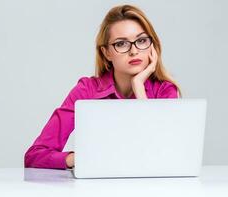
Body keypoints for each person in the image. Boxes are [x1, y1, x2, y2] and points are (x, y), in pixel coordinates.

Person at [24, 4, 182, 170]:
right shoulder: (87, 90)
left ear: (152, 46)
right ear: (107, 52)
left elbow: (165, 154)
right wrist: (78, 158)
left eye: (141, 41)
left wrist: (139, 88)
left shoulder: (165, 91)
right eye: (121, 44)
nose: (134, 51)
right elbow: (34, 155)